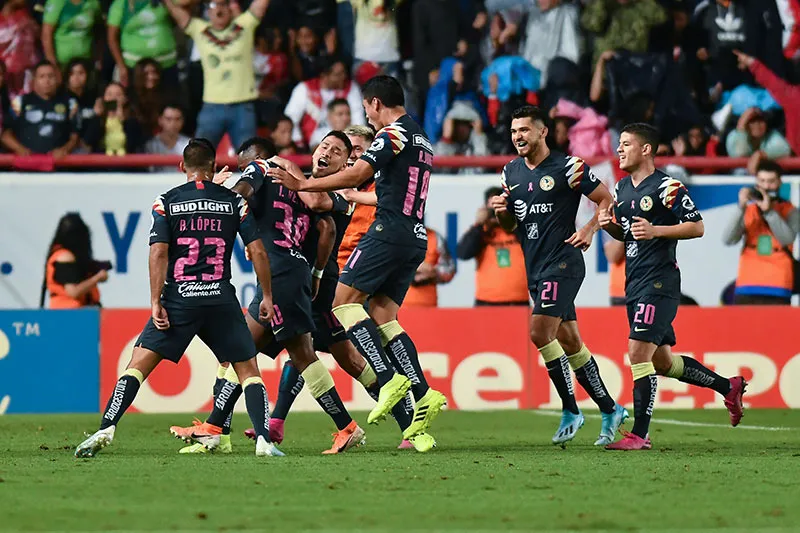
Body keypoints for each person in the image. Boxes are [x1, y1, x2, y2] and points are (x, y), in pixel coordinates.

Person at [74, 138, 283, 458]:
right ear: (214, 168)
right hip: (220, 297)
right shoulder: (233, 202)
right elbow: (256, 251)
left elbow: (158, 252)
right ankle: (263, 441)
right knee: (247, 370)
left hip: (179, 298)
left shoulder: (166, 201)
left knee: (138, 365)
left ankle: (106, 427)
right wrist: (267, 295)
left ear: (182, 166)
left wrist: (156, 300)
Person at [270, 75, 447, 441]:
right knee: (384, 317)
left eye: (367, 110)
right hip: (414, 234)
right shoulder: (423, 139)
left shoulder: (392, 134)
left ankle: (388, 379)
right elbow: (381, 189)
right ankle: (422, 391)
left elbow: (361, 171)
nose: (368, 118)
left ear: (376, 104)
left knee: (342, 304)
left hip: (390, 231)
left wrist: (302, 183)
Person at [171, 135, 366, 455]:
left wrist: (215, 189)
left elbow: (235, 200)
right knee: (302, 354)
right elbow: (325, 229)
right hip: (296, 273)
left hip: (277, 274)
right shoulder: (299, 185)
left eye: (243, 166)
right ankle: (346, 428)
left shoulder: (260, 170)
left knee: (242, 349)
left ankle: (214, 429)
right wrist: (314, 273)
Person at [246, 131, 434, 452]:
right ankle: (391, 427)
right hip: (301, 283)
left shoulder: (342, 193)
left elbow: (315, 202)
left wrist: (286, 168)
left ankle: (224, 425)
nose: (328, 153)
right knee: (330, 357)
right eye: (324, 146)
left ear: (347, 162)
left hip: (323, 287)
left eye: (338, 152)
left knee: (258, 349)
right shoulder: (301, 181)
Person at [598, 123, 747, 451]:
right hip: (634, 283)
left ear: (646, 149)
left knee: (638, 351)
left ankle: (640, 433)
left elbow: (697, 227)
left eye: (626, 144)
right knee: (663, 362)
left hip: (659, 281)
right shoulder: (622, 189)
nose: (619, 150)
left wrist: (658, 230)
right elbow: (631, 235)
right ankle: (729, 386)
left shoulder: (667, 187)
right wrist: (610, 228)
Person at [489, 105, 627, 446]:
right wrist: (502, 214)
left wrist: (591, 228)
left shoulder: (568, 167)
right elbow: (512, 225)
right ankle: (610, 409)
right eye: (514, 131)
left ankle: (570, 410)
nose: (518, 136)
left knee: (539, 331)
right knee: (569, 341)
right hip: (535, 267)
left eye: (525, 129)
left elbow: (606, 199)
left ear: (542, 132)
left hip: (564, 261)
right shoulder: (510, 173)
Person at [163, 0, 269, 150]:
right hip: (212, 106)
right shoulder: (200, 30)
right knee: (199, 155)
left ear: (230, 8)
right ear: (208, 11)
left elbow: (261, 5)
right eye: (213, 5)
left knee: (250, 158)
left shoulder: (244, 25)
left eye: (223, 5)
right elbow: (177, 12)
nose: (218, 10)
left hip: (243, 106)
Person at [723, 160, 800, 305]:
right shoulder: (749, 210)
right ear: (756, 182)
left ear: (779, 183)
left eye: (771, 181)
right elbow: (728, 239)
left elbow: (787, 239)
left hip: (779, 282)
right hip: (747, 282)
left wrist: (769, 212)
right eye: (762, 181)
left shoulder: (791, 211)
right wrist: (741, 208)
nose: (766, 186)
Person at [457, 186, 529, 306]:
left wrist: (510, 220)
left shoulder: (519, 230)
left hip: (518, 300)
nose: (496, 214)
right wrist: (479, 225)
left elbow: (533, 245)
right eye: (492, 210)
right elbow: (463, 253)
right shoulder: (481, 231)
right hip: (486, 301)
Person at [1, 60, 79, 156]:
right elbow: (5, 135)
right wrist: (20, 149)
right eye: (42, 76)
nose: (47, 81)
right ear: (34, 80)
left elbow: (75, 137)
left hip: (59, 165)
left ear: (57, 79)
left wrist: (64, 150)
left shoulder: (70, 103)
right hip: (26, 165)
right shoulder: (19, 102)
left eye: (51, 76)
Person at [41, 213, 108, 309]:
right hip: (69, 314)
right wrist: (97, 278)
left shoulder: (61, 255)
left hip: (77, 312)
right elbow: (73, 292)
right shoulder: (64, 257)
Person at [336, 125, 377, 270]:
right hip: (329, 271)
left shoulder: (382, 189)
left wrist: (350, 194)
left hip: (363, 272)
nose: (351, 155)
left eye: (357, 149)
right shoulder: (326, 185)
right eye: (347, 149)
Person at [403, 227, 456, 307]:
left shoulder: (435, 237)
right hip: (396, 306)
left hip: (428, 304)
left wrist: (433, 272)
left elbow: (449, 270)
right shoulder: (390, 236)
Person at [145, 104, 191, 171]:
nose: (173, 123)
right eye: (168, 119)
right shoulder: (150, 145)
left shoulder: (189, 144)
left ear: (182, 121)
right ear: (160, 120)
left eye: (177, 119)